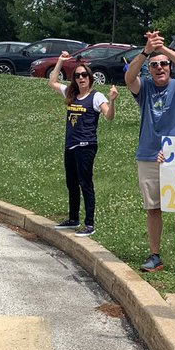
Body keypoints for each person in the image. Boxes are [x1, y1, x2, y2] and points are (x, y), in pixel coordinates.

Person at [124, 30, 175, 275]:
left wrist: (162, 49)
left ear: (169, 66)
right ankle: (155, 256)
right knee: (153, 208)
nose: (159, 68)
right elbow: (128, 78)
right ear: (149, 69)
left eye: (163, 64)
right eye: (154, 65)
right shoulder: (143, 88)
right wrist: (147, 51)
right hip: (148, 154)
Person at [48, 53, 118, 235]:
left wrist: (112, 100)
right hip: (70, 145)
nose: (81, 78)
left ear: (90, 78)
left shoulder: (96, 97)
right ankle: (73, 219)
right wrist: (60, 62)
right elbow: (53, 82)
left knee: (84, 182)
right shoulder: (71, 94)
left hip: (86, 145)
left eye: (84, 75)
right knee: (71, 183)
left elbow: (109, 116)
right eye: (78, 76)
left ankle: (89, 224)